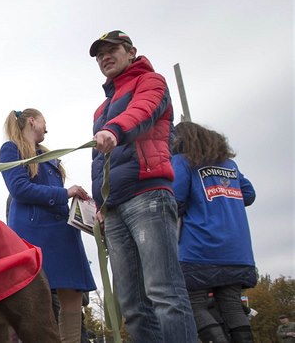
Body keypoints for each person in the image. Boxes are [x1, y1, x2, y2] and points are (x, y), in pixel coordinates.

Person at [88, 30, 196, 343]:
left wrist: (115, 129)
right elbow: (100, 160)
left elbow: (143, 111)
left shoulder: (151, 82)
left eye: (112, 50)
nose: (105, 57)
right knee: (132, 304)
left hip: (148, 195)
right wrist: (99, 204)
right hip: (114, 207)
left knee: (164, 292)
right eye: (99, 54)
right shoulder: (100, 109)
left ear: (131, 52)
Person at [0, 108, 97, 343]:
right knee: (29, 298)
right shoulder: (11, 148)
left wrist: (78, 204)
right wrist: (65, 192)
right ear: (32, 121)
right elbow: (19, 189)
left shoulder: (48, 153)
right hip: (34, 233)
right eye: (45, 121)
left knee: (73, 294)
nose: (47, 127)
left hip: (63, 232)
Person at [172, 121, 257, 343]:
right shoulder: (230, 165)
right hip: (238, 251)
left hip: (200, 248)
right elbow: (248, 194)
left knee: (195, 304)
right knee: (232, 307)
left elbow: (175, 200)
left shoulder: (182, 162)